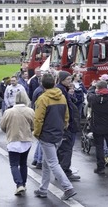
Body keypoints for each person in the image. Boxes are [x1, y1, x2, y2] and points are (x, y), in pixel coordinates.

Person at [32, 73, 77, 201]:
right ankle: (43, 189)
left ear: (42, 84)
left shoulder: (43, 99)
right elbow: (66, 115)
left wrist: (36, 133)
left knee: (52, 163)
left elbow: (38, 119)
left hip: (46, 134)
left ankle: (68, 188)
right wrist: (63, 127)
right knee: (47, 163)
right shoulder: (62, 96)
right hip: (58, 133)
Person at [0, 91, 34, 196]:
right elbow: (34, 125)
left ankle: (19, 184)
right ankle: (23, 183)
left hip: (13, 139)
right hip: (26, 140)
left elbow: (2, 126)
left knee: (14, 164)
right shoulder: (30, 111)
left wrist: (9, 131)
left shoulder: (9, 112)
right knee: (23, 163)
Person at [88, 80, 108, 174]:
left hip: (97, 125)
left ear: (97, 89)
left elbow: (88, 94)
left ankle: (100, 167)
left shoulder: (93, 99)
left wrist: (92, 86)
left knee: (99, 147)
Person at [55, 71, 81, 181]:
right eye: (68, 79)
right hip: (66, 125)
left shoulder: (63, 89)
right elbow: (65, 108)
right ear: (62, 80)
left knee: (64, 149)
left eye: (70, 79)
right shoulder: (61, 90)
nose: (70, 82)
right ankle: (64, 171)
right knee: (66, 149)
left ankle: (63, 170)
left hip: (66, 123)